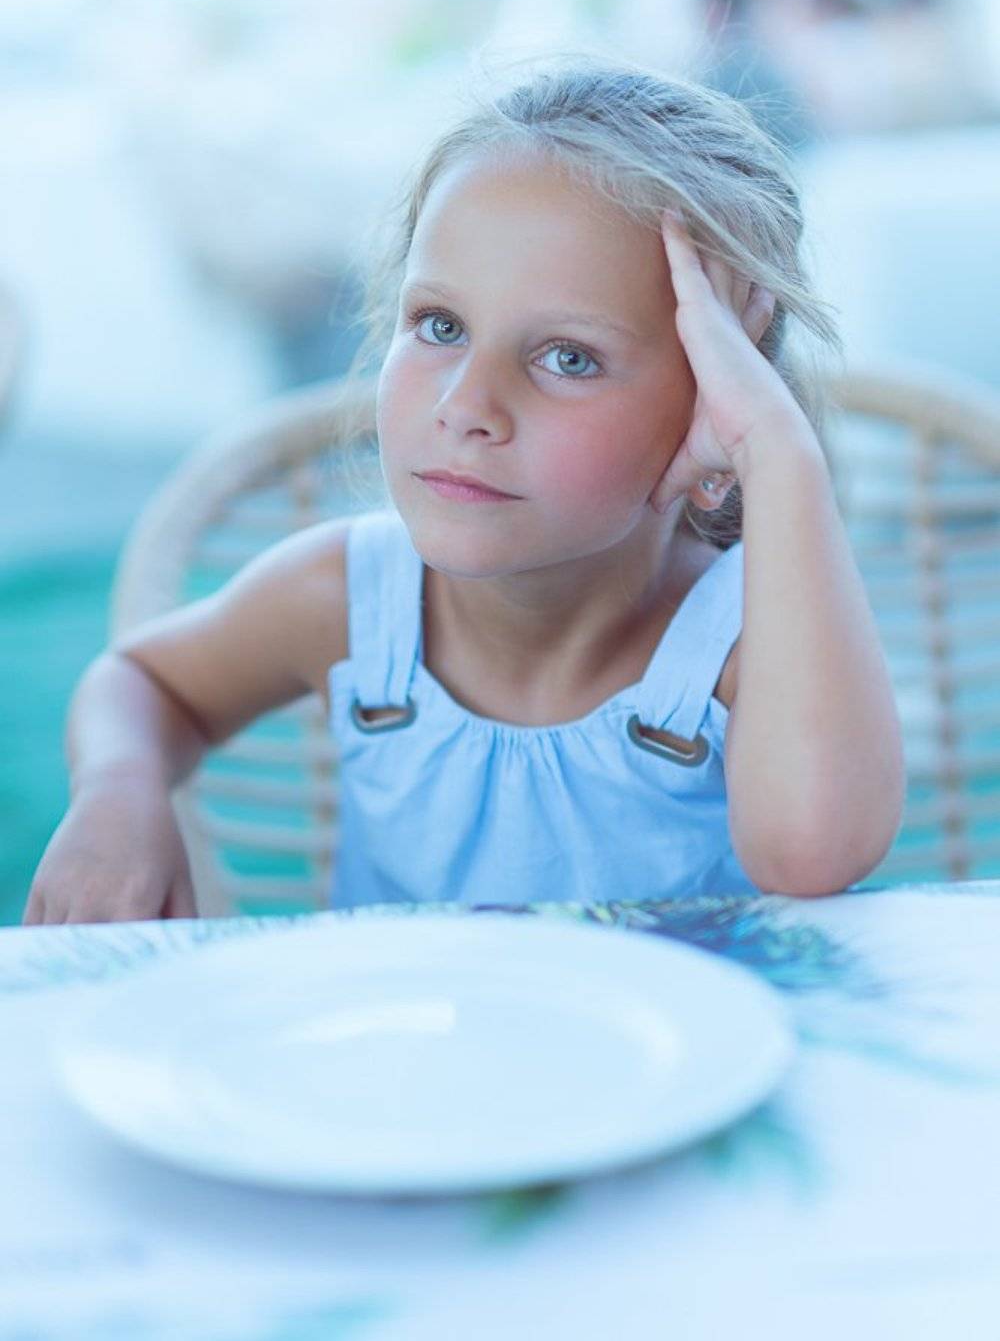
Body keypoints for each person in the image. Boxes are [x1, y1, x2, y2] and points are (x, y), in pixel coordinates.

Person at [23, 61, 905, 924]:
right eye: (440, 326)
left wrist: (773, 453)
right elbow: (142, 682)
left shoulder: (740, 644)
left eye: (568, 358)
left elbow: (812, 854)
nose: (467, 406)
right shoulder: (346, 601)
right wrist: (119, 791)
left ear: (714, 400)